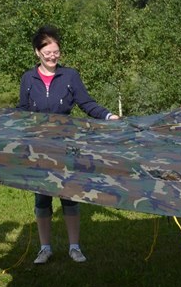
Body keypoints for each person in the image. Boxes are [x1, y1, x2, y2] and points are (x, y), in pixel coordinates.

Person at [19, 25, 119, 265]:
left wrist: (109, 116)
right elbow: (21, 111)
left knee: (69, 196)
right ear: (37, 52)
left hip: (66, 146)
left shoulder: (70, 76)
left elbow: (87, 103)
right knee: (42, 198)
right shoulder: (28, 78)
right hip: (39, 147)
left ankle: (75, 247)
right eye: (47, 53)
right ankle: (45, 248)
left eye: (56, 52)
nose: (52, 57)